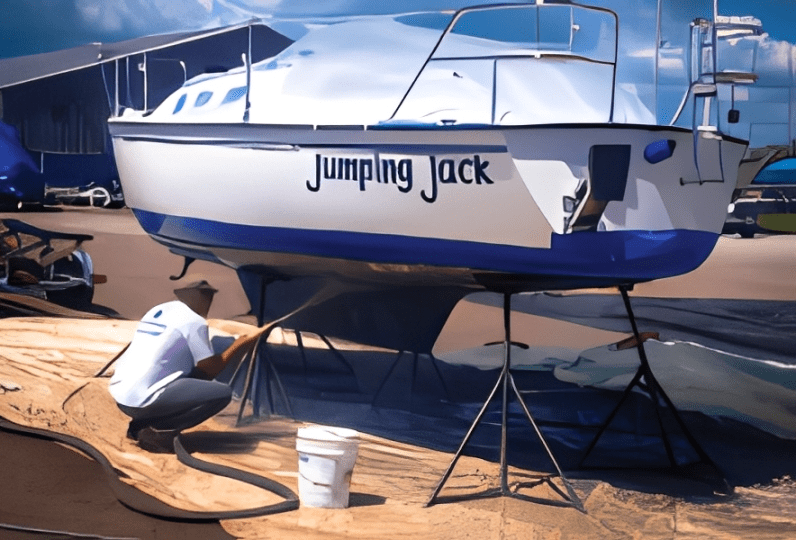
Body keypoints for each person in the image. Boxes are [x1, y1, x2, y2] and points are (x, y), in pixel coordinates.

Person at [109, 280, 260, 452]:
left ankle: (138, 427)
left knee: (192, 378)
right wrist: (239, 345)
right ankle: (159, 432)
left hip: (121, 396)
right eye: (205, 297)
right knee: (222, 393)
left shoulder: (158, 310)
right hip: (143, 401)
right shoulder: (194, 321)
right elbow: (210, 369)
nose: (207, 303)